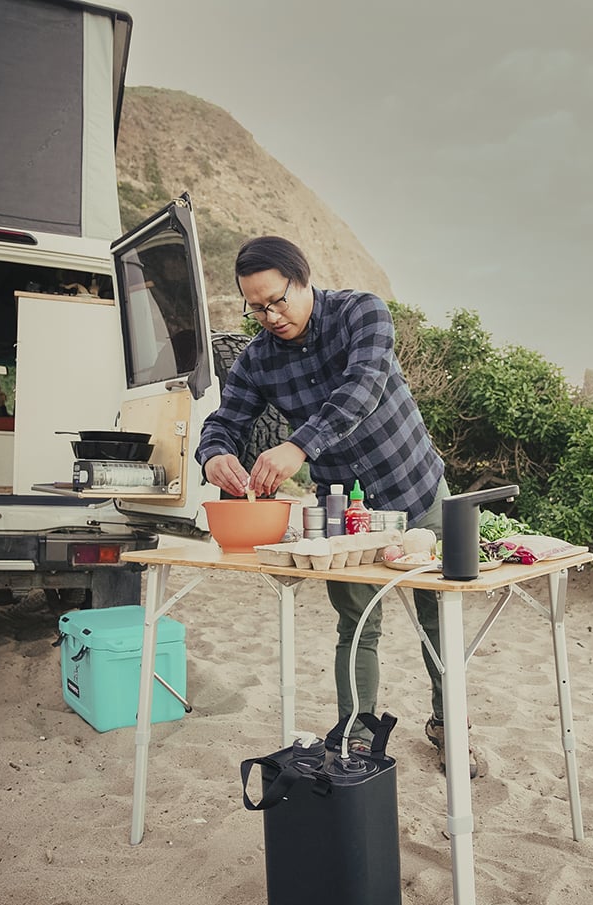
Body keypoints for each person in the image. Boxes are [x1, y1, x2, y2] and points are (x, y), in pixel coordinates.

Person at [195, 236, 477, 777]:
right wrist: (214, 458)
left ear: (303, 280)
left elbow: (363, 387)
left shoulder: (362, 312)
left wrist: (297, 446)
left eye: (277, 300)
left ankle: (449, 725)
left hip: (417, 488)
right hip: (343, 516)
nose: (269, 315)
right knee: (357, 625)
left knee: (440, 621)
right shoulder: (256, 361)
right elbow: (224, 423)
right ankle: (358, 734)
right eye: (255, 306)